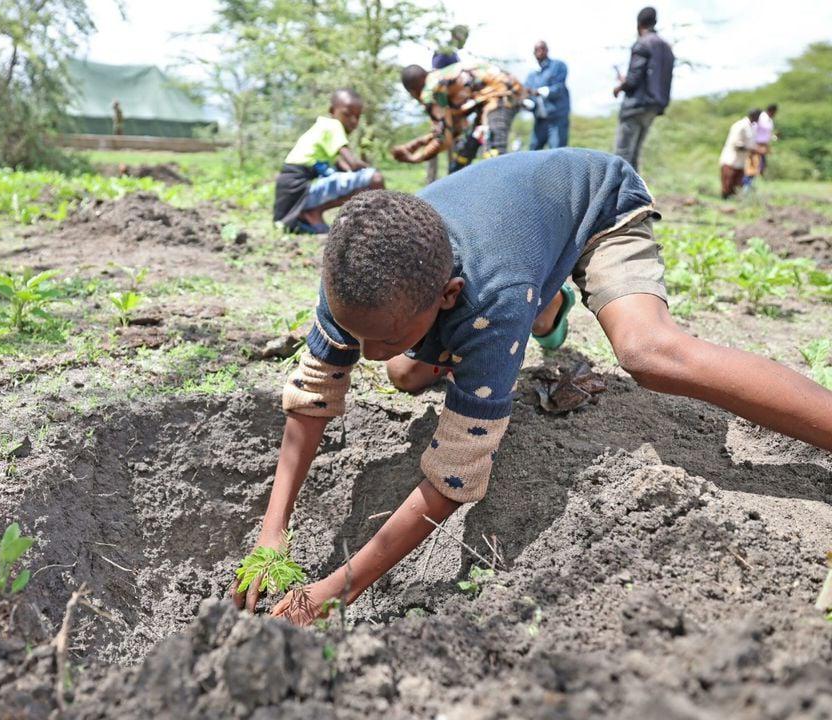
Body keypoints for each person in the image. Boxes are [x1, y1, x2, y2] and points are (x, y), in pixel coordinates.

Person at [232, 148, 832, 625]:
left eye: (384, 335)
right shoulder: (354, 277)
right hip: (515, 236)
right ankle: (546, 308)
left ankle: (544, 298)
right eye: (357, 333)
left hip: (594, 202)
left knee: (649, 353)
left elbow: (455, 475)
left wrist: (338, 589)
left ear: (448, 296)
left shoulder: (490, 298)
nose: (364, 350)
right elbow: (313, 397)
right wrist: (272, 534)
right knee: (403, 373)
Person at [273, 89, 384, 234]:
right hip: (301, 191)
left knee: (359, 180)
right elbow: (353, 164)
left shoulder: (322, 128)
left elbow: (344, 168)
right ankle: (381, 226)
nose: (353, 121)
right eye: (347, 114)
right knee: (375, 178)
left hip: (292, 195)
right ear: (332, 111)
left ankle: (312, 212)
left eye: (357, 117)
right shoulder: (333, 125)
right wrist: (369, 167)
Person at [393, 62, 526, 173]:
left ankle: (507, 191)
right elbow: (448, 130)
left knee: (494, 152)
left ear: (413, 92)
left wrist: (414, 158)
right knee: (463, 155)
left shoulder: (430, 91)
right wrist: (413, 145)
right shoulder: (440, 81)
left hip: (502, 93)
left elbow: (443, 140)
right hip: (489, 99)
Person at [613, 6, 675, 171]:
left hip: (636, 106)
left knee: (622, 155)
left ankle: (619, 188)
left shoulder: (642, 43)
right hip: (654, 106)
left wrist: (620, 86)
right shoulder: (666, 47)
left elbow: (633, 79)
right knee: (634, 155)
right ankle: (634, 187)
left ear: (639, 24)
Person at [525, 41, 570, 150]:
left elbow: (558, 88)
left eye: (541, 49)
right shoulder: (532, 74)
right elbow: (527, 93)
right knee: (533, 150)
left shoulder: (558, 66)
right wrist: (526, 102)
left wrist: (538, 92)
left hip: (557, 118)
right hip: (540, 119)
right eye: (536, 50)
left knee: (557, 150)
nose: (539, 52)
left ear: (547, 50)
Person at [720, 108, 761, 199]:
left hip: (741, 162)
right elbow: (736, 144)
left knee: (737, 187)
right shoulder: (740, 125)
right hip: (731, 160)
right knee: (727, 186)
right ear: (755, 116)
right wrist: (752, 150)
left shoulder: (751, 127)